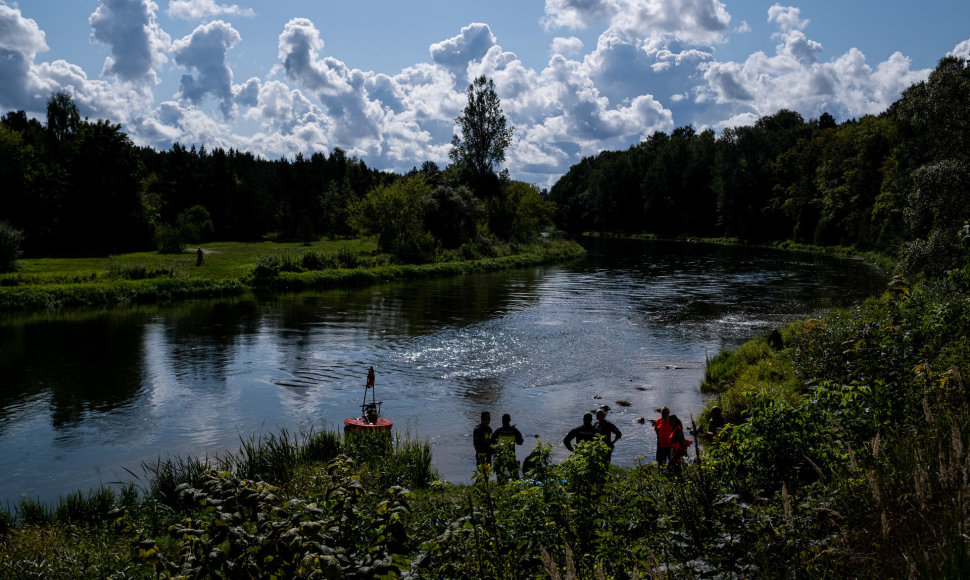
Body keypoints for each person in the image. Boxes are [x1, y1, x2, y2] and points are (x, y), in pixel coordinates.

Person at [492, 413, 524, 481]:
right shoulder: (514, 431)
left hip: (500, 457)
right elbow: (520, 442)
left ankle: (500, 489)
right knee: (515, 477)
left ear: (502, 421)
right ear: (510, 420)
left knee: (500, 478)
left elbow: (492, 443)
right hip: (510, 457)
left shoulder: (498, 431)